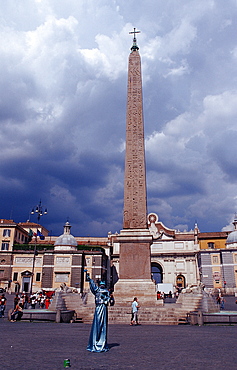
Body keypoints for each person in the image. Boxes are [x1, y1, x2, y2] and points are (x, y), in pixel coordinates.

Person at [86, 271, 110, 352]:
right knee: (99, 324)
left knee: (102, 324)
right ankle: (97, 342)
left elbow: (110, 300)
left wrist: (107, 299)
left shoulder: (104, 291)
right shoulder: (99, 290)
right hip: (100, 307)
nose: (102, 285)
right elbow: (93, 285)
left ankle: (100, 342)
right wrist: (89, 279)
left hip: (102, 307)